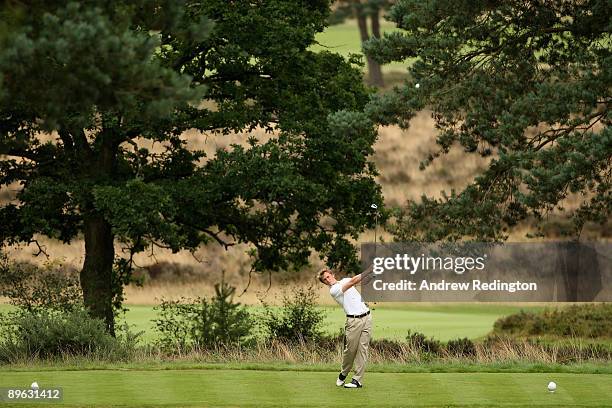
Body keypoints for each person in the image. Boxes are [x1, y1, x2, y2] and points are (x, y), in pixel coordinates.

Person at [318, 266, 373, 389]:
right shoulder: (334, 290)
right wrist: (369, 269)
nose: (328, 279)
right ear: (324, 283)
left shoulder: (344, 280)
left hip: (367, 317)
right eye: (325, 280)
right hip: (353, 321)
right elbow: (354, 281)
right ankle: (343, 374)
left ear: (332, 274)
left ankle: (357, 380)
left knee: (362, 350)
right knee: (351, 350)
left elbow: (360, 282)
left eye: (328, 276)